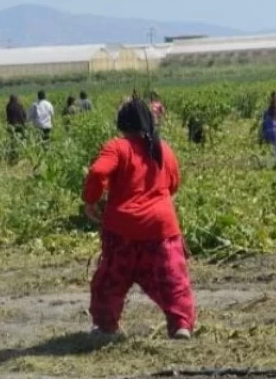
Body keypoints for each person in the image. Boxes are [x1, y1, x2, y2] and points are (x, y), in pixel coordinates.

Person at [82, 98, 196, 340]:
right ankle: (181, 325)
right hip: (161, 227)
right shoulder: (162, 148)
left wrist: (91, 199)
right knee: (172, 279)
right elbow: (173, 183)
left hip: (122, 228)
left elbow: (98, 171)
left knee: (110, 281)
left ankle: (105, 327)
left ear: (122, 123)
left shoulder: (118, 147)